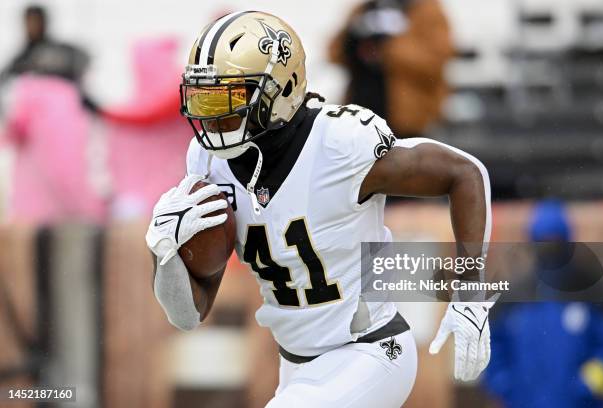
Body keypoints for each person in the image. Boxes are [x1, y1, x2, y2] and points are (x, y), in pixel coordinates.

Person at [145, 11, 492, 407]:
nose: (214, 118)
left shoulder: (339, 144)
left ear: (282, 88)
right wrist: (163, 253)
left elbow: (464, 173)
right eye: (203, 99)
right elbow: (187, 314)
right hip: (296, 367)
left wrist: (471, 292)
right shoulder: (208, 161)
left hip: (372, 353)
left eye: (231, 99)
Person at [484, 201, 603, 408]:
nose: (549, 247)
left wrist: (587, 385)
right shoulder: (514, 295)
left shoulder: (589, 290)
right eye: (542, 241)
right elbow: (491, 347)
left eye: (555, 240)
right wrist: (504, 383)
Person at [328, 0, 454, 138]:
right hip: (361, 118)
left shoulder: (426, 10)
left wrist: (387, 47)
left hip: (407, 121)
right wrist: (353, 41)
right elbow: (334, 54)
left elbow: (435, 61)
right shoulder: (364, 9)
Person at [0, 5, 98, 112]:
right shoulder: (22, 58)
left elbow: (82, 62)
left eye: (36, 21)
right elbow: (5, 79)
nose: (32, 26)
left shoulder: (60, 51)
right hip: (33, 115)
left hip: (63, 110)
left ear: (44, 22)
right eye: (29, 21)